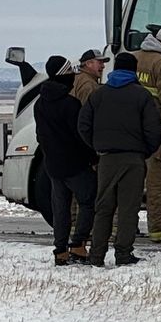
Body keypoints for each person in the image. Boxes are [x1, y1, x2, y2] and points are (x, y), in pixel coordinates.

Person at [77, 50, 161, 266]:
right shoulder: (142, 95)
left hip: (106, 158)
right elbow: (154, 129)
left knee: (103, 208)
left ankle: (97, 255)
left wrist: (97, 146)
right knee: (128, 209)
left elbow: (83, 125)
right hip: (133, 159)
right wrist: (145, 151)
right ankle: (123, 254)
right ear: (133, 70)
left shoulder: (99, 94)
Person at [32, 61, 97, 264]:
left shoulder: (39, 104)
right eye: (70, 72)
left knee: (60, 207)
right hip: (75, 165)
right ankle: (78, 245)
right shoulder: (71, 104)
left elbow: (39, 135)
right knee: (88, 201)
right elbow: (80, 136)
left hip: (53, 165)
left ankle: (60, 250)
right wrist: (91, 157)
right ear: (63, 75)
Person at [133, 27, 161, 242]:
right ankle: (160, 231)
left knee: (127, 185)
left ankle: (119, 228)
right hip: (156, 137)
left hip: (131, 134)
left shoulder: (134, 58)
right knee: (158, 186)